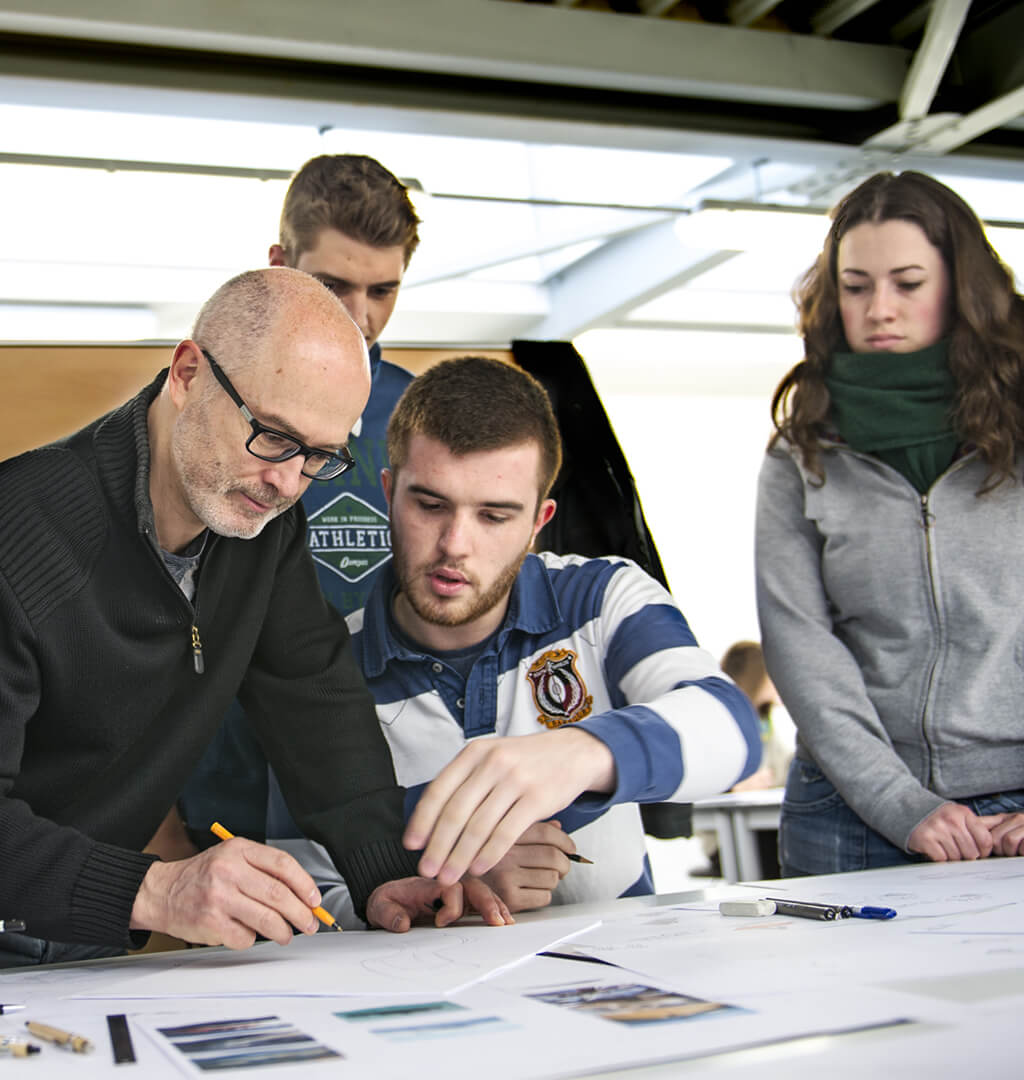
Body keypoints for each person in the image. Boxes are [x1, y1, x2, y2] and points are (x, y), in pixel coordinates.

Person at [0, 268, 509, 968]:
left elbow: (313, 693)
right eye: (272, 436)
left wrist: (385, 869)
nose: (286, 484)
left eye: (320, 457)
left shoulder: (264, 525)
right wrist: (159, 891)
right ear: (186, 374)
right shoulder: (16, 534)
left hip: (81, 951)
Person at [271, 355, 762, 915]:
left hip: (618, 977)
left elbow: (731, 730)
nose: (455, 543)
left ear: (538, 521)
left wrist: (579, 755)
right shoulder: (325, 666)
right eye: (430, 505)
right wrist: (443, 892)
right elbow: (299, 888)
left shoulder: (603, 599)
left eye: (494, 516)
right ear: (388, 493)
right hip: (423, 990)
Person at [755, 170, 1024, 877]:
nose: (879, 308)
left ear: (960, 286)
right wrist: (897, 800)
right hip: (849, 807)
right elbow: (798, 642)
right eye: (856, 285)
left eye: (908, 283)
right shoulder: (801, 450)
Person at [177, 154, 420, 844]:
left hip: (382, 764)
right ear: (280, 261)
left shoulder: (420, 417)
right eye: (334, 284)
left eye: (383, 290)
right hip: (230, 770)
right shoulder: (210, 401)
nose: (359, 315)